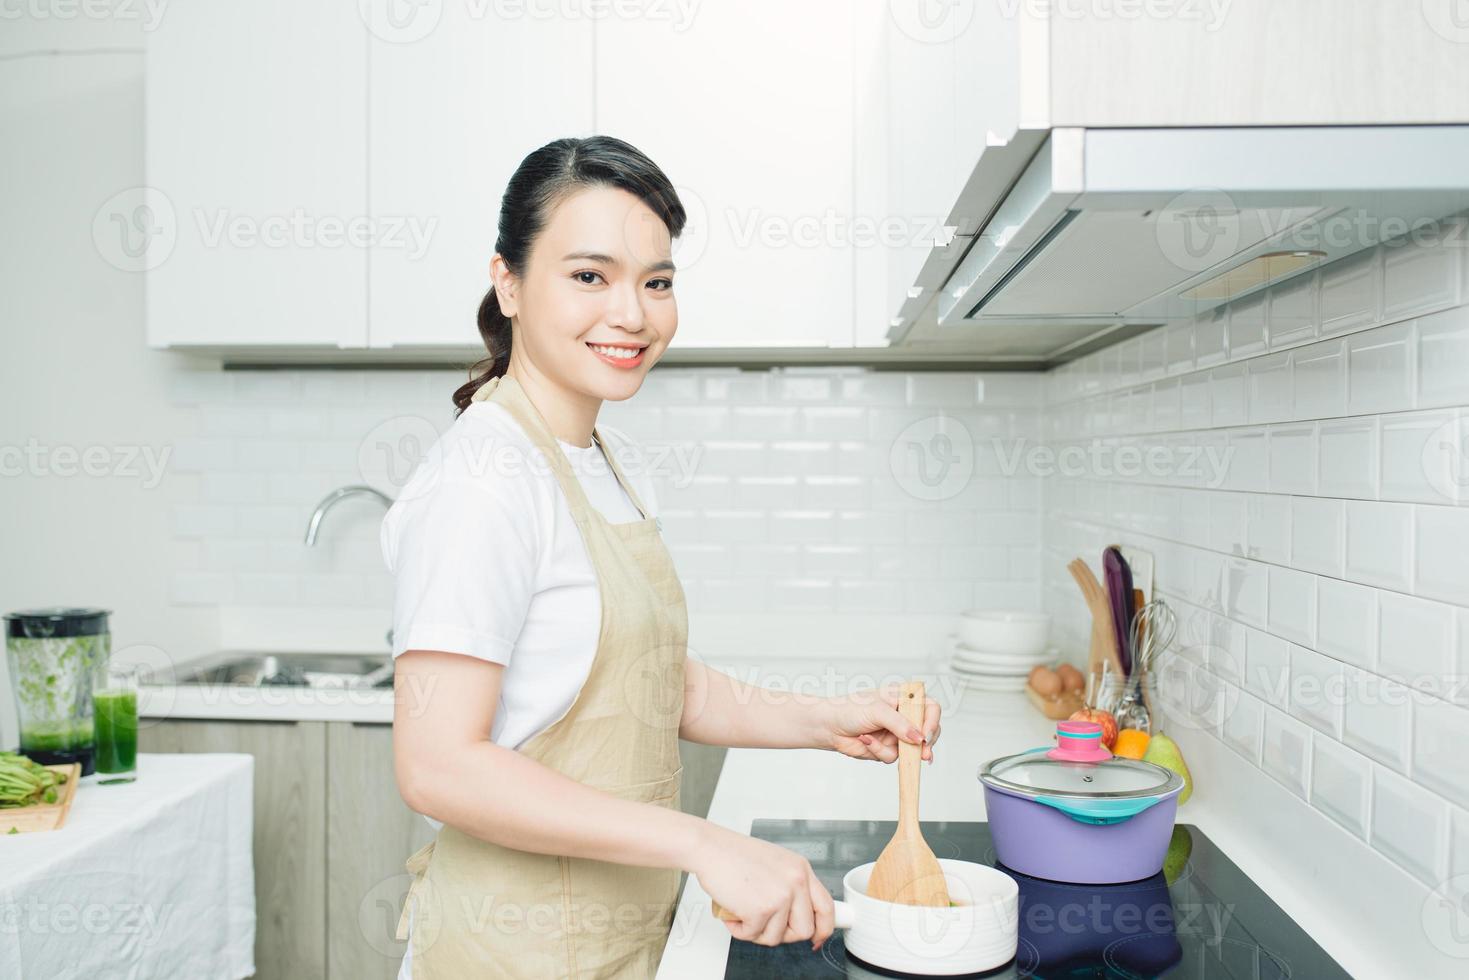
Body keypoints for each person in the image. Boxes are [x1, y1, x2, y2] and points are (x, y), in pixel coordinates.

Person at [383, 135, 942, 978]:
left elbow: (644, 678)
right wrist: (703, 844)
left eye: (657, 281)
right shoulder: (485, 479)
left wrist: (819, 719)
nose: (633, 314)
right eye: (588, 276)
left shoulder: (605, 459)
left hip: (617, 930)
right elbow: (436, 767)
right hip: (517, 949)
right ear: (508, 282)